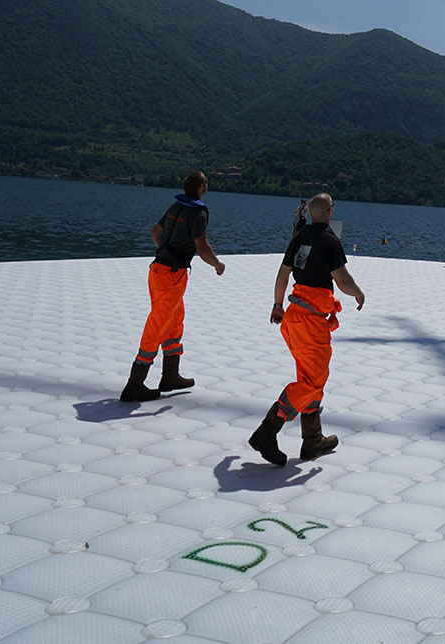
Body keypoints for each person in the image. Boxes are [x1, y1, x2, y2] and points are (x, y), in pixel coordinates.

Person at [249, 192, 365, 466]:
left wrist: (277, 305)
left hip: (293, 317)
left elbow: (282, 274)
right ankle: (267, 431)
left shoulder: (299, 238)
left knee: (310, 377)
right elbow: (343, 278)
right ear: (329, 212)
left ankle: (313, 440)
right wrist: (358, 293)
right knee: (312, 382)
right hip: (312, 323)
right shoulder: (330, 241)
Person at [120, 171, 225, 402]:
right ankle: (134, 385)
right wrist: (217, 264)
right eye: (206, 183)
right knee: (158, 324)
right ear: (200, 187)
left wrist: (165, 252)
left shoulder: (176, 206)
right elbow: (202, 246)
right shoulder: (198, 211)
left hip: (158, 270)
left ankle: (170, 376)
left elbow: (156, 232)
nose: (207, 186)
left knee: (175, 319)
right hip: (172, 274)